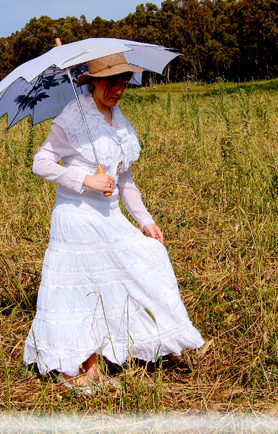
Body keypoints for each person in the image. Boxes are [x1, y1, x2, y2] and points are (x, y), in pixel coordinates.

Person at [23, 52, 205, 394]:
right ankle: (77, 368)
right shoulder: (73, 116)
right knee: (81, 291)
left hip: (110, 217)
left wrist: (146, 221)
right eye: (111, 82)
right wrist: (84, 179)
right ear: (93, 82)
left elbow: (125, 179)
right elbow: (41, 162)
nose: (118, 89)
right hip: (76, 217)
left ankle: (115, 348)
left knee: (149, 256)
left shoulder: (117, 118)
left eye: (123, 82)